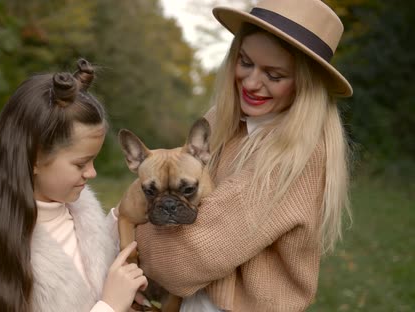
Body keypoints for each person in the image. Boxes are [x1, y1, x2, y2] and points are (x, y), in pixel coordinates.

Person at [135, 0, 353, 311]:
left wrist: (127, 235)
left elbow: (188, 258)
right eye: (246, 62)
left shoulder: (297, 154)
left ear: (305, 85)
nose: (251, 83)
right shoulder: (224, 120)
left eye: (274, 75)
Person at [0, 59, 148, 312]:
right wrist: (109, 306)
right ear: (35, 157)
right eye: (81, 164)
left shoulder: (84, 215)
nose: (92, 172)